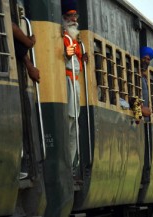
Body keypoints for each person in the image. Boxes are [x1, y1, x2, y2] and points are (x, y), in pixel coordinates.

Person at [62, 0, 87, 167]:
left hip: (75, 82)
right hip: (67, 81)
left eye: (75, 16)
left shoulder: (75, 39)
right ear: (64, 17)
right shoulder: (65, 37)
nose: (74, 19)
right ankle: (67, 164)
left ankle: (71, 163)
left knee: (74, 127)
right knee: (70, 123)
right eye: (70, 16)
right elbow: (64, 58)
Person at [139, 46, 153, 121]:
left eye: (148, 59)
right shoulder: (137, 76)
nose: (146, 61)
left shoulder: (145, 79)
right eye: (144, 58)